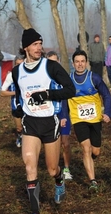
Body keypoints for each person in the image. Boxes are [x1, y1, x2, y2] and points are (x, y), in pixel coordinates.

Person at [11, 28, 75, 214]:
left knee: (51, 168)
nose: (39, 48)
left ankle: (58, 181)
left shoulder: (51, 66)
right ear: (25, 48)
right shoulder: (17, 71)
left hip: (49, 123)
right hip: (30, 123)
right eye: (35, 45)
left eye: (40, 44)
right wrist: (19, 108)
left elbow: (70, 90)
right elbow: (19, 95)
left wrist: (47, 94)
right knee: (30, 165)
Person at [65, 50, 111, 192]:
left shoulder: (94, 78)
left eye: (82, 61)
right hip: (78, 119)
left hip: (95, 119)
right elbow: (62, 100)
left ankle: (90, 159)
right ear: (73, 64)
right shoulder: (68, 80)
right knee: (86, 148)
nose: (80, 64)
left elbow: (107, 95)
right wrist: (63, 117)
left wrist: (108, 113)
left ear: (86, 63)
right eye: (77, 61)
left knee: (95, 151)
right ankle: (93, 181)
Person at [46, 51, 73, 180]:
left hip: (63, 114)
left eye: (55, 61)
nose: (54, 64)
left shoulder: (63, 77)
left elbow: (65, 97)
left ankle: (67, 168)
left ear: (59, 62)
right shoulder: (44, 78)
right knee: (54, 144)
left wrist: (63, 115)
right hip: (49, 116)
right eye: (50, 62)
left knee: (65, 142)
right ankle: (55, 168)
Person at [0, 55, 25, 147]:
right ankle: (20, 136)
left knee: (29, 126)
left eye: (21, 64)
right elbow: (2, 92)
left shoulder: (29, 74)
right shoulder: (11, 75)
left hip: (28, 105)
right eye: (17, 64)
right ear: (14, 65)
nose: (19, 67)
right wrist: (16, 93)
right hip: (16, 105)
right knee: (19, 128)